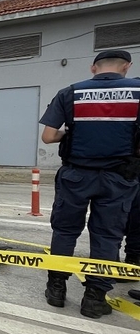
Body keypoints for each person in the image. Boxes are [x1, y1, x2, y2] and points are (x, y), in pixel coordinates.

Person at [39, 49, 140, 319]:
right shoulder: (137, 91)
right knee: (108, 237)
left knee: (64, 231)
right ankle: (95, 299)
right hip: (120, 177)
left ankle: (56, 289)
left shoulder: (71, 92)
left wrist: (69, 133)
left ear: (93, 68)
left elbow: (48, 136)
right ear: (126, 67)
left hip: (76, 175)